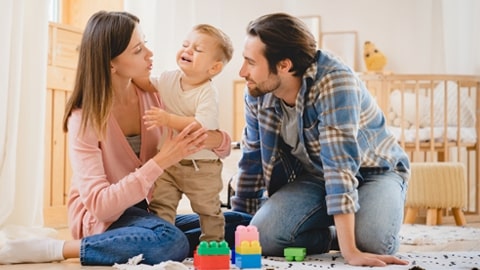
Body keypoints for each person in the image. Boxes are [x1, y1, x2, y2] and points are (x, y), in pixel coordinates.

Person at [0, 11, 251, 266]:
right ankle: (60, 248)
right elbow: (100, 206)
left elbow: (221, 145)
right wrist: (162, 161)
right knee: (170, 241)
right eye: (138, 50)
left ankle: (151, 240)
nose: (150, 54)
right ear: (112, 62)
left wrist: (210, 139)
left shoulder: (154, 96)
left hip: (146, 212)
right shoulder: (85, 117)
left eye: (146, 44)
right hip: (103, 219)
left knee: (240, 223)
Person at [231, 12, 411, 267]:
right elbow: (252, 159)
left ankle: (351, 229)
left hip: (375, 171)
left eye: (250, 62)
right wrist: (243, 227)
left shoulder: (335, 81)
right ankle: (332, 234)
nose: (242, 71)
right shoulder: (258, 91)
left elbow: (340, 167)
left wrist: (351, 252)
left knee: (372, 244)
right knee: (263, 235)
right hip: (316, 175)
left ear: (284, 65)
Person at [134, 24, 233, 243]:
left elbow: (200, 126)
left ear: (214, 68)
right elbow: (146, 83)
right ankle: (162, 241)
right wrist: (129, 71)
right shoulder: (169, 78)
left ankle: (213, 244)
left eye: (197, 49)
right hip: (170, 164)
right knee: (161, 204)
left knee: (208, 209)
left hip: (201, 167)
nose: (187, 50)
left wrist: (168, 119)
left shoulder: (207, 92)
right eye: (185, 45)